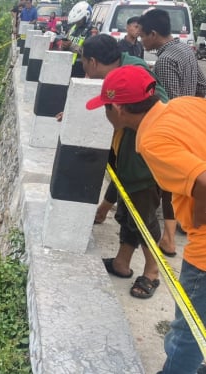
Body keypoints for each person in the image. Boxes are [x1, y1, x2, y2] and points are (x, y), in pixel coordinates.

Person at [85, 64, 206, 374]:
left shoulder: (151, 140)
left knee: (187, 333)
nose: (106, 113)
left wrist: (197, 222)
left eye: (106, 107)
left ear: (120, 108)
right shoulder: (183, 105)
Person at [81, 34, 169, 298]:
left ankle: (152, 271)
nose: (84, 73)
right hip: (128, 159)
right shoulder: (119, 74)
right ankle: (122, 263)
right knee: (128, 215)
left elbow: (158, 105)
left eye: (84, 64)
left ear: (93, 62)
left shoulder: (135, 72)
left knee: (144, 218)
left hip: (144, 165)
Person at [138, 8, 206, 256]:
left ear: (154, 34)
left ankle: (169, 238)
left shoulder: (166, 60)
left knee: (171, 184)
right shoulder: (186, 51)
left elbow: (170, 100)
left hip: (176, 127)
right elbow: (202, 85)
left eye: (144, 36)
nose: (142, 41)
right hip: (190, 121)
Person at [61, 1, 93, 77]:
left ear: (86, 17)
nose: (77, 22)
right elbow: (66, 41)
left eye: (79, 19)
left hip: (81, 69)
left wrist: (71, 46)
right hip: (68, 65)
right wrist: (64, 45)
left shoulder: (91, 31)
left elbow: (89, 52)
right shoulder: (73, 28)